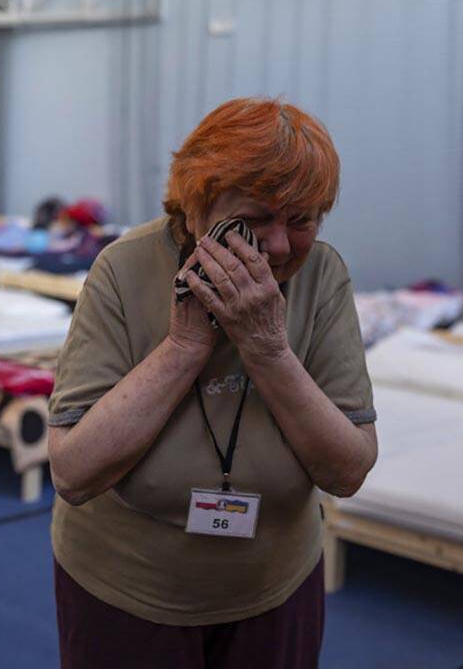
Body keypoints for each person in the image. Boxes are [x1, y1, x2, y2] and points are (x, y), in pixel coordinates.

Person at [47, 97, 378, 668]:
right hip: (127, 587)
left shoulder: (321, 274)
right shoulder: (124, 270)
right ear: (197, 208)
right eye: (251, 222)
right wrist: (184, 347)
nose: (277, 248)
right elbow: (73, 472)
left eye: (301, 221)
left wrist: (267, 347)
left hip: (273, 585)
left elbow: (347, 470)